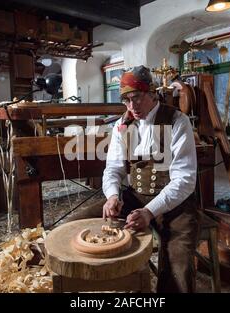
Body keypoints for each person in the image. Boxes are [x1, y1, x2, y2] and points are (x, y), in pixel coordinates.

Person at [67, 65, 200, 293]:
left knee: (178, 261)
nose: (132, 106)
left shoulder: (178, 121)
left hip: (175, 204)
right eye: (126, 100)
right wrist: (111, 196)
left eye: (137, 98)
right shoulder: (124, 125)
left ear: (152, 93)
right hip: (136, 196)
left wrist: (150, 211)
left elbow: (185, 180)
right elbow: (113, 169)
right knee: (75, 224)